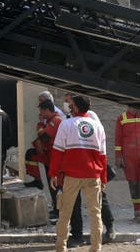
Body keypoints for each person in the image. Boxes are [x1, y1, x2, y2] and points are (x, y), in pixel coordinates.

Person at [50, 94, 107, 252]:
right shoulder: (98, 126)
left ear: (75, 107)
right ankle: (96, 247)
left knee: (65, 212)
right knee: (96, 213)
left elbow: (57, 152)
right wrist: (103, 178)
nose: (68, 105)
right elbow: (102, 156)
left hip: (72, 176)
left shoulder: (66, 124)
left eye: (70, 103)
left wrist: (53, 173)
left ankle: (61, 247)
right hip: (93, 176)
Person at [36, 99, 64, 220]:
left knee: (56, 186)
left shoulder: (56, 121)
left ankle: (59, 211)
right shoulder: (51, 121)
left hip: (56, 160)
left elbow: (44, 136)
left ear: (47, 110)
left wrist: (40, 124)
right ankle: (56, 209)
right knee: (53, 185)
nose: (40, 114)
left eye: (41, 111)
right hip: (50, 158)